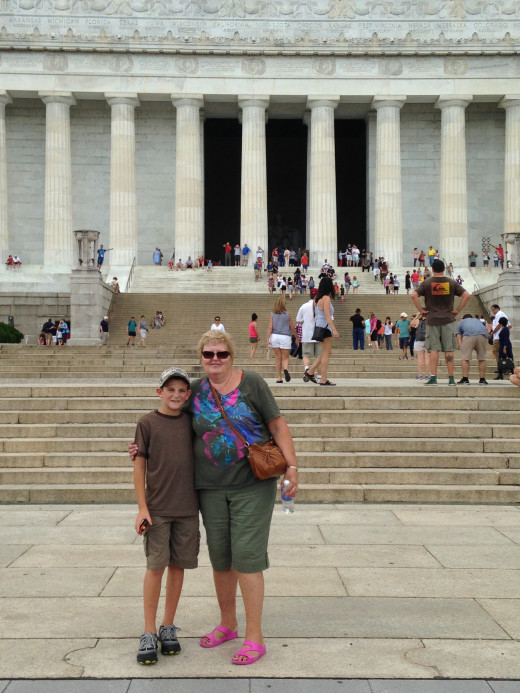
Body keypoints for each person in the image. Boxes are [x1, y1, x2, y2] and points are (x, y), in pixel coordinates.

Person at [131, 332, 299, 665]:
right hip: (209, 487)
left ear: (232, 356)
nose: (215, 359)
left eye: (221, 354)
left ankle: (255, 637)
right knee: (221, 559)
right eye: (208, 354)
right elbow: (171, 413)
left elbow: (277, 425)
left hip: (252, 484)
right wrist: (142, 445)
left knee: (247, 558)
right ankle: (228, 623)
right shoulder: (195, 390)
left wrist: (292, 467)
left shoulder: (252, 383)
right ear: (202, 356)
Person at [133, 366, 199, 665]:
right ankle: (148, 630)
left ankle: (168, 625)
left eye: (181, 390)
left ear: (188, 395)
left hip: (187, 508)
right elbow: (139, 466)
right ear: (159, 392)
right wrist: (142, 508)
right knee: (155, 567)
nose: (175, 395)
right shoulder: (147, 423)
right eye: (169, 389)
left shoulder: (192, 422)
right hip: (157, 508)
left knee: (178, 567)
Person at [412, 259, 470, 385]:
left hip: (432, 320)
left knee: (434, 349)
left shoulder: (427, 282)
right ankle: (451, 378)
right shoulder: (451, 282)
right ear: (444, 269)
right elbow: (467, 295)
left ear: (432, 269)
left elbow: (413, 295)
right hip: (448, 320)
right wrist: (458, 311)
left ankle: (433, 377)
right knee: (448, 350)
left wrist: (421, 311)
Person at [303, 277, 340, 386]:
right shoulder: (326, 299)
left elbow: (316, 315)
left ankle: (310, 371)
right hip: (325, 327)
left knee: (326, 352)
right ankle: (323, 378)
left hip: (319, 326)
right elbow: (328, 316)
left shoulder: (317, 299)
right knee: (326, 354)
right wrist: (334, 329)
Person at [267, 296, 299, 383]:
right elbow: (292, 327)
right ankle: (285, 369)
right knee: (285, 358)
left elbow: (270, 327)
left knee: (278, 358)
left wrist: (268, 338)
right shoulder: (287, 314)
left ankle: (279, 378)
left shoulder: (272, 314)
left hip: (275, 336)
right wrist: (296, 337)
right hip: (285, 337)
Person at [455, 313, 489, 385]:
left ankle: (465, 379)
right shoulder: (478, 321)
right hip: (482, 336)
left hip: (469, 336)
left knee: (465, 358)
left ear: (463, 318)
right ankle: (482, 379)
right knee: (482, 358)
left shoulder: (461, 322)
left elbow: (458, 334)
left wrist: (461, 345)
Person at [296, 297, 321, 382]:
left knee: (306, 355)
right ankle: (319, 376)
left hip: (306, 335)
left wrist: (305, 321)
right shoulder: (320, 306)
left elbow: (298, 320)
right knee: (319, 357)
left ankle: (307, 368)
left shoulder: (303, 306)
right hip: (318, 335)